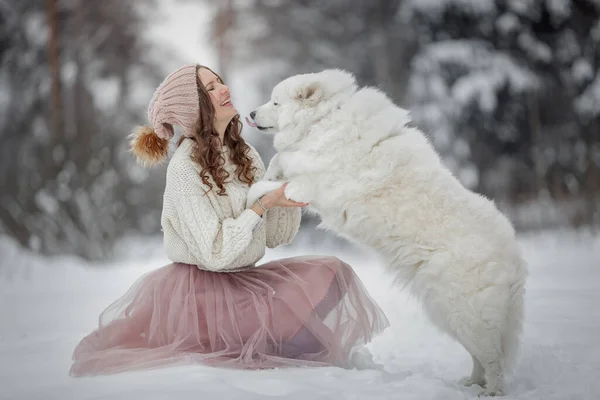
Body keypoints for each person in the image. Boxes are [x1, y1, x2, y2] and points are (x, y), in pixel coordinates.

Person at [69, 64, 389, 376]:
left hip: (246, 282)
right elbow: (217, 253)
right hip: (202, 295)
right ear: (195, 110)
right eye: (210, 88)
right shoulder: (184, 169)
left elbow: (275, 236)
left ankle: (280, 340)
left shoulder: (245, 154)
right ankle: (278, 343)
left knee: (333, 271)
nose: (223, 89)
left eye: (220, 81)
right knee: (310, 344)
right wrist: (261, 204)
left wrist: (285, 189)